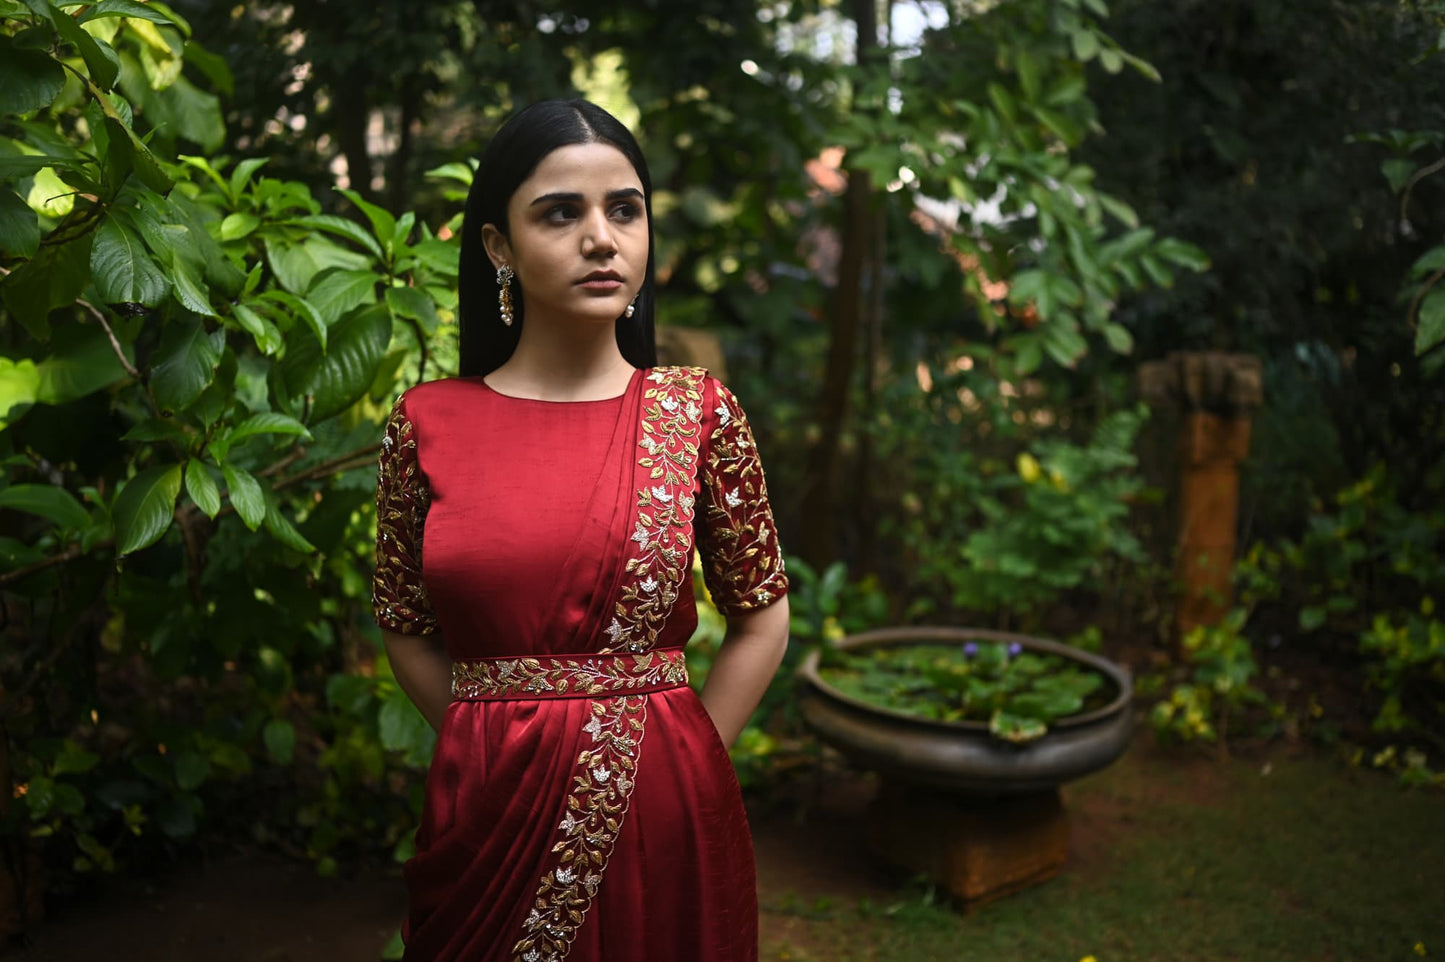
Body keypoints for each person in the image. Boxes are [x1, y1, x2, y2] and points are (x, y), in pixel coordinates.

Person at [372, 99, 791, 962]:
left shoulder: (694, 413)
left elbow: (762, 614)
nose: (601, 238)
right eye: (561, 212)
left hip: (667, 800)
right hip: (483, 806)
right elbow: (403, 624)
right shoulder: (426, 423)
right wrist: (480, 735)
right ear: (497, 246)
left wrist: (683, 754)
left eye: (624, 210)